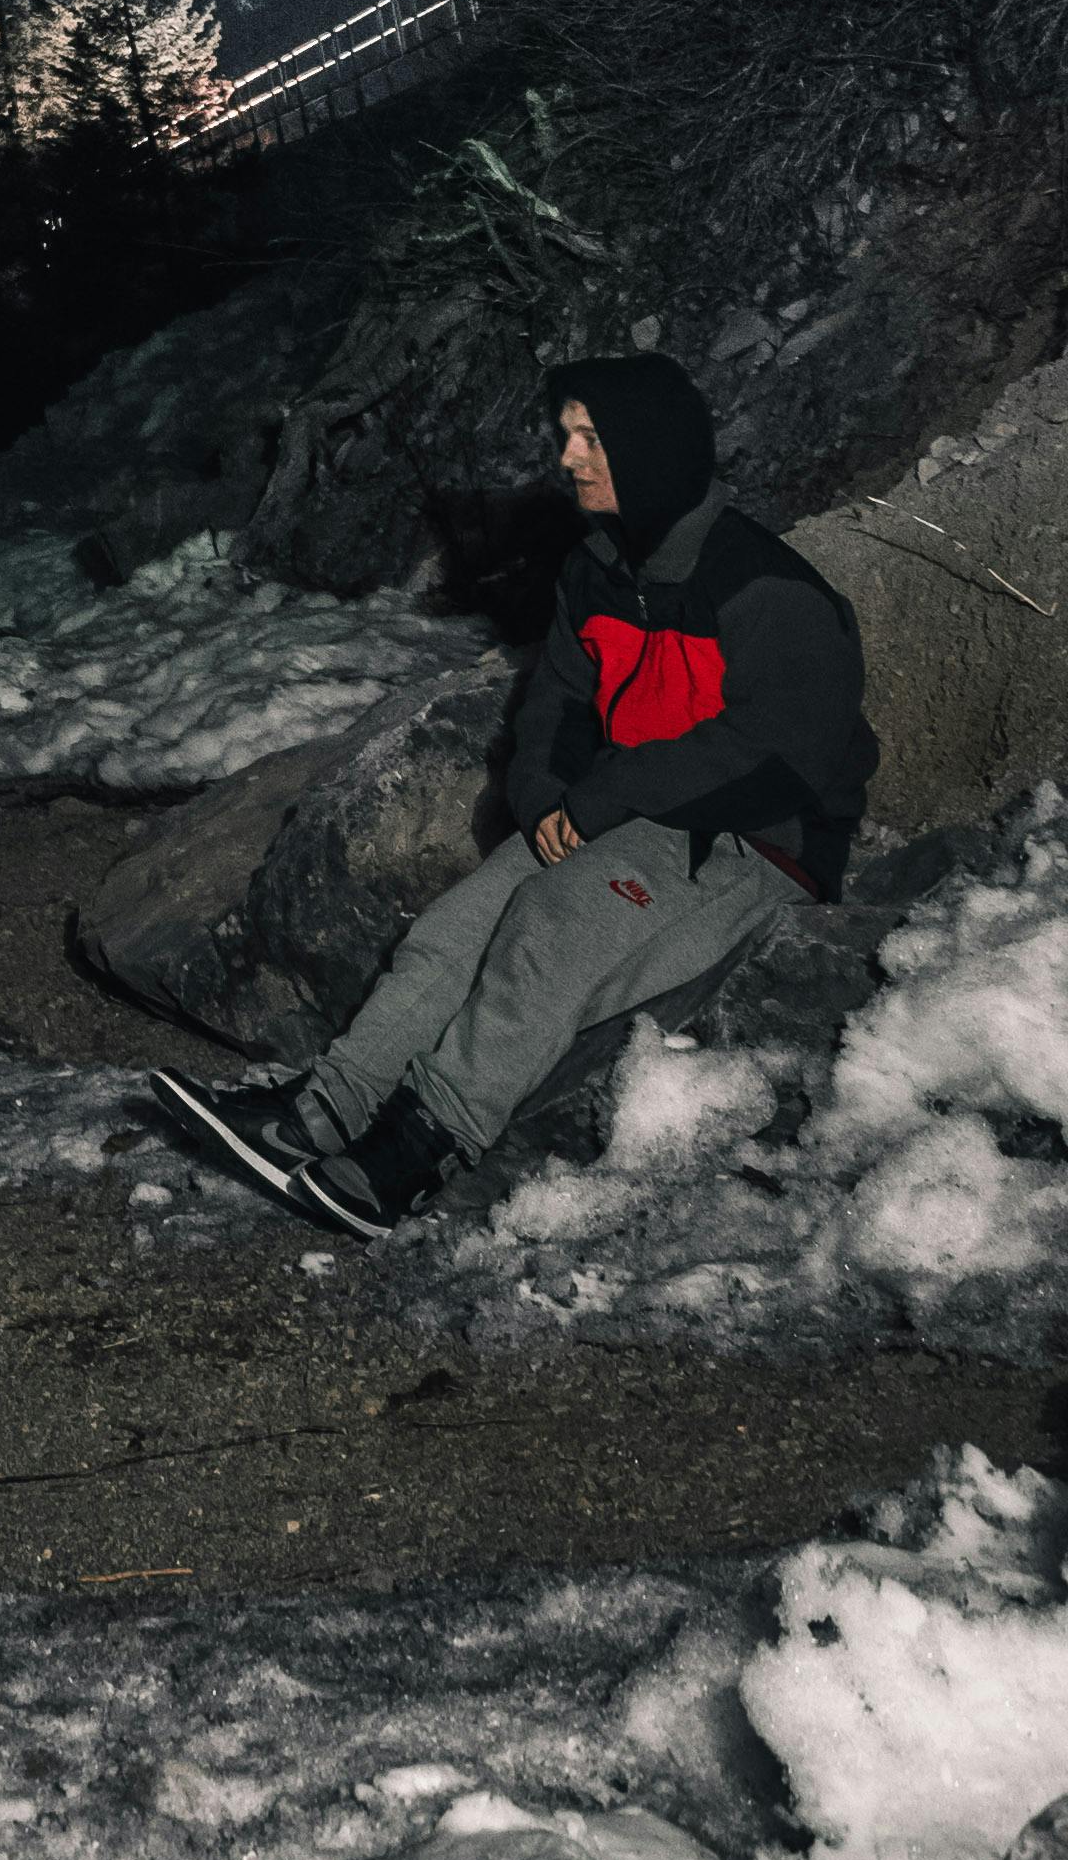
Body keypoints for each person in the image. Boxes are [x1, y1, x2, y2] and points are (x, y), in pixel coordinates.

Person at [155, 350, 873, 1237]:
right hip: (623, 814)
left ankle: (417, 1152)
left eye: (589, 439)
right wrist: (543, 799)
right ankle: (323, 1113)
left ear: (649, 450)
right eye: (566, 436)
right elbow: (558, 706)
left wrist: (603, 801)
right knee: (454, 929)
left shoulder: (768, 587)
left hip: (750, 837)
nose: (568, 458)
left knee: (549, 929)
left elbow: (783, 750)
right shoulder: (598, 569)